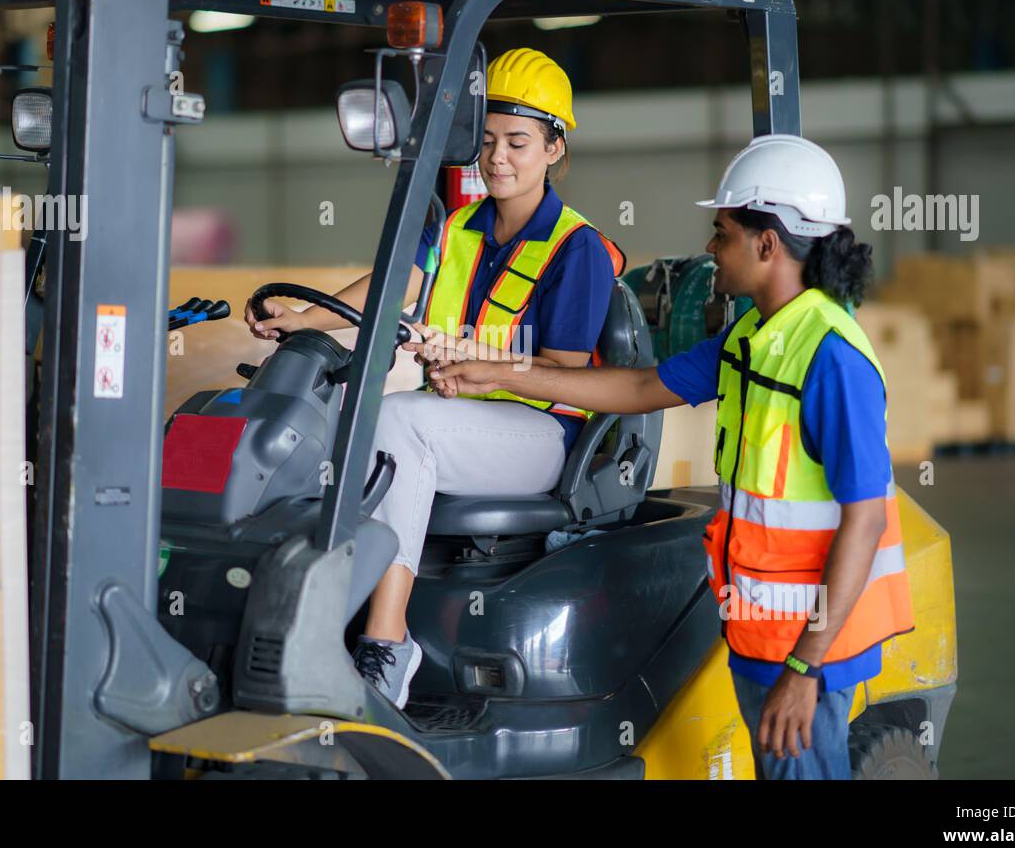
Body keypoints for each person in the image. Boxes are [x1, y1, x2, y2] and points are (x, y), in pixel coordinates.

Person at [431, 134, 914, 779]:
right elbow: (638, 387)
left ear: (767, 244)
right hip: (762, 630)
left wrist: (806, 668)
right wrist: (502, 374)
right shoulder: (755, 334)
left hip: (808, 647)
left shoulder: (830, 357)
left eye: (721, 233)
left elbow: (867, 519)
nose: (709, 251)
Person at [245, 48, 623, 708]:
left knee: (398, 420)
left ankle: (388, 644)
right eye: (485, 141)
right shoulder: (456, 228)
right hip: (463, 417)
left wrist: (478, 368)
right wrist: (302, 316)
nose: (497, 157)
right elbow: (394, 289)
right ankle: (301, 612)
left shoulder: (576, 246)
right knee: (340, 414)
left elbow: (566, 371)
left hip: (542, 434)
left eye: (518, 142)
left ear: (555, 148)